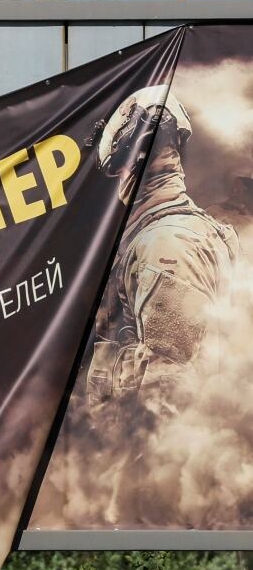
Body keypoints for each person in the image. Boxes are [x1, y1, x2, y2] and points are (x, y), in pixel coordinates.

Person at [86, 84, 239, 419]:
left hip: (157, 464)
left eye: (120, 167)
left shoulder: (165, 246)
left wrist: (125, 466)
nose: (119, 180)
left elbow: (168, 402)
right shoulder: (165, 234)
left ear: (137, 159)